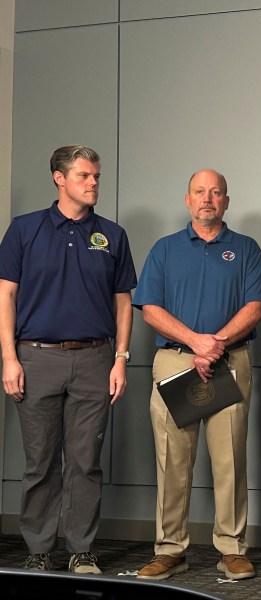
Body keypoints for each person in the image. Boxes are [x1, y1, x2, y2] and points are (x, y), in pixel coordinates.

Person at [0, 145, 136, 574]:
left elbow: (123, 303)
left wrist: (120, 359)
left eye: (95, 175)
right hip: (35, 359)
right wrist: (9, 358)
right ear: (59, 178)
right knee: (39, 461)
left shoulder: (112, 235)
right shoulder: (24, 230)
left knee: (84, 461)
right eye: (83, 176)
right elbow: (5, 295)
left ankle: (81, 549)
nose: (93, 182)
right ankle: (39, 549)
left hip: (95, 360)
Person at [132, 169, 261, 581]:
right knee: (172, 460)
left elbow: (255, 306)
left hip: (229, 362)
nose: (208, 198)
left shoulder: (245, 249)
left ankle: (231, 548)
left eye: (216, 192)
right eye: (199, 192)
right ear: (187, 200)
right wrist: (195, 342)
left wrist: (215, 344)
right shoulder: (165, 249)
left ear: (226, 201)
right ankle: (170, 550)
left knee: (229, 459)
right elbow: (150, 308)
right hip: (175, 362)